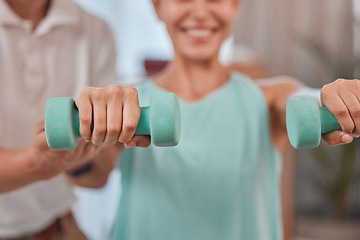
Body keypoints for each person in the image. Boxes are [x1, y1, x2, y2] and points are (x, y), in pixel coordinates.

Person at [73, 0, 360, 239]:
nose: (200, 11)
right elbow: (93, 176)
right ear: (158, 7)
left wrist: (333, 99)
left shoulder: (270, 98)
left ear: (235, 5)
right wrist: (85, 141)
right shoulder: (130, 107)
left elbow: (303, 100)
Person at [0, 0, 119, 239]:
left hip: (57, 226)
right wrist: (38, 164)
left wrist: (77, 160)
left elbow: (98, 178)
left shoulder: (95, 30)